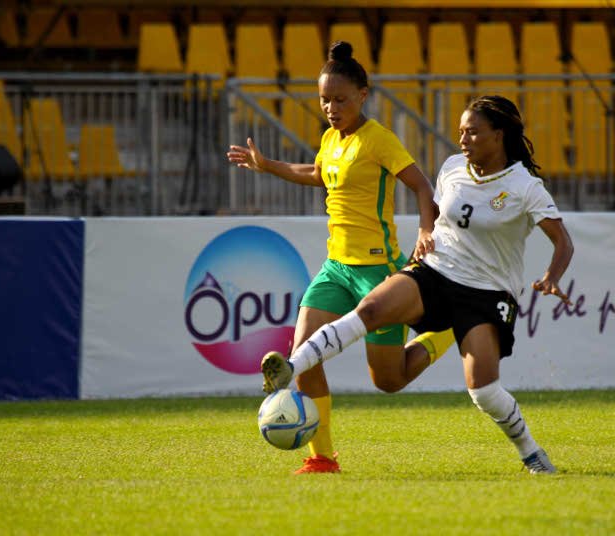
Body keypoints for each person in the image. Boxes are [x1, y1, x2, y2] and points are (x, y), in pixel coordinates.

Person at [261, 95, 575, 474]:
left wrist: (551, 277)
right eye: (460, 132)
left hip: (486, 292)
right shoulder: (453, 168)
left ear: (499, 135)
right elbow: (440, 218)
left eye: (473, 132)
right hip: (436, 272)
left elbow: (563, 242)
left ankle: (530, 452)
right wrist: (420, 247)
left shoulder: (526, 186)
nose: (463, 140)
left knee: (484, 391)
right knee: (371, 310)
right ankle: (290, 368)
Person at [227, 41, 455, 474]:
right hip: (336, 268)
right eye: (324, 100)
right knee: (303, 354)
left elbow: (423, 186)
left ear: (363, 96)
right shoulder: (332, 138)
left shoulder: (379, 140)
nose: (331, 108)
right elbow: (319, 173)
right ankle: (322, 458)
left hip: (378, 270)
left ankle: (443, 333)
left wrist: (426, 230)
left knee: (387, 379)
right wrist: (267, 164)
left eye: (340, 100)